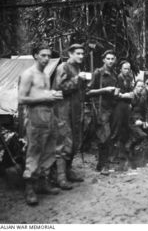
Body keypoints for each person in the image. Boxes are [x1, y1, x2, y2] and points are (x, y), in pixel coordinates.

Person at [18, 43, 63, 206]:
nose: (46, 58)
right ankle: (29, 188)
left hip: (48, 116)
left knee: (49, 150)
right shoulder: (28, 74)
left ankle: (43, 183)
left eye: (48, 56)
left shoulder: (45, 74)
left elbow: (41, 93)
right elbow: (22, 99)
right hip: (35, 116)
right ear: (35, 55)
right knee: (35, 151)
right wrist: (45, 98)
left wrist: (51, 94)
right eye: (43, 55)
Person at [53, 44, 86, 190]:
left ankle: (68, 170)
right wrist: (78, 79)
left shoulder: (77, 68)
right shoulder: (63, 67)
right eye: (78, 53)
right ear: (70, 54)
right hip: (63, 110)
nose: (81, 56)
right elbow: (60, 89)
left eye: (82, 54)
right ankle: (60, 177)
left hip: (76, 109)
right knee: (64, 142)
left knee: (75, 141)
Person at [86, 50, 118, 175]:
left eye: (112, 59)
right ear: (104, 60)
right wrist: (104, 90)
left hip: (111, 108)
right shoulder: (98, 72)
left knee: (108, 137)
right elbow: (88, 92)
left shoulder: (114, 74)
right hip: (100, 108)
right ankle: (104, 165)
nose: (110, 61)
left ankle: (101, 164)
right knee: (104, 137)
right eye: (108, 58)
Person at [110, 60, 134, 168]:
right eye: (125, 68)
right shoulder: (117, 78)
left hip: (126, 106)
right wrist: (124, 95)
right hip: (118, 106)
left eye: (128, 69)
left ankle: (121, 153)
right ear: (121, 69)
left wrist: (129, 101)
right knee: (116, 128)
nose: (127, 71)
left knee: (125, 128)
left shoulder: (129, 79)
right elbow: (115, 94)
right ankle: (111, 155)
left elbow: (131, 92)